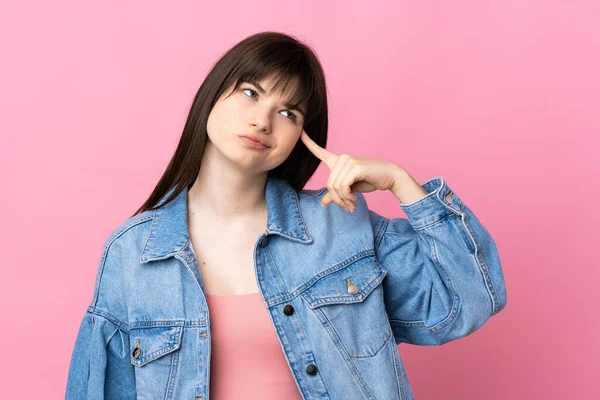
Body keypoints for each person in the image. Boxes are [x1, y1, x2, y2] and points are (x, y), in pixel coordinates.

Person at [65, 31, 507, 400]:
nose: (262, 121)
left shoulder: (339, 224)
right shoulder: (134, 253)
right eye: (251, 93)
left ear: (301, 135)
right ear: (212, 96)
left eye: (288, 112)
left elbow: (463, 304)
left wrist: (400, 182)